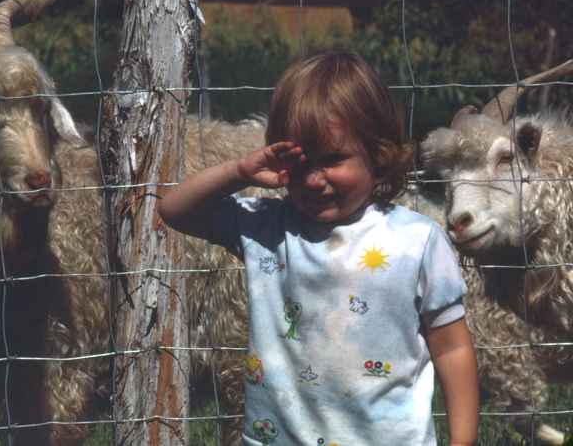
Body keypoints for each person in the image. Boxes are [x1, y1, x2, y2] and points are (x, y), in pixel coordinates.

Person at [158, 50, 479, 446]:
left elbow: (452, 350)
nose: (312, 179)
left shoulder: (418, 241)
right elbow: (173, 210)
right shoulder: (265, 227)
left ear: (378, 156)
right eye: (299, 160)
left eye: (332, 159)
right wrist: (240, 170)